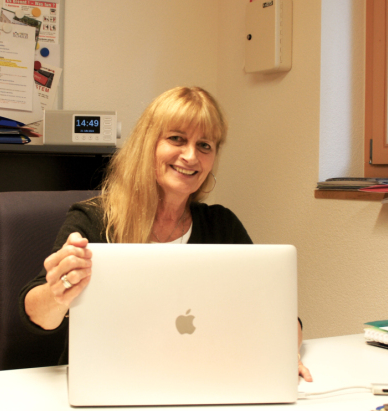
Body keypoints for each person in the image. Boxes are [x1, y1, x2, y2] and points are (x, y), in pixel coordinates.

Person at [19, 86, 313, 382]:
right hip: (108, 381)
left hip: (201, 379)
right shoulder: (94, 219)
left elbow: (280, 315)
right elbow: (35, 315)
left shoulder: (221, 225)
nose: (191, 156)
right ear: (148, 144)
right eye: (177, 139)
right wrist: (58, 294)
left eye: (205, 145)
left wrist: (283, 350)